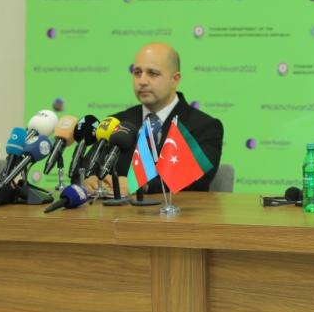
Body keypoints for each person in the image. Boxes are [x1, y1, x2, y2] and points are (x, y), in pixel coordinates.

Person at [86, 42, 223, 196]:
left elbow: (196, 180)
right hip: (120, 209)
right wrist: (89, 179)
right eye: (137, 72)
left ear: (175, 79)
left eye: (153, 73)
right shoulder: (117, 122)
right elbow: (87, 167)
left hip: (179, 210)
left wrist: (139, 185)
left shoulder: (204, 126)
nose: (142, 81)